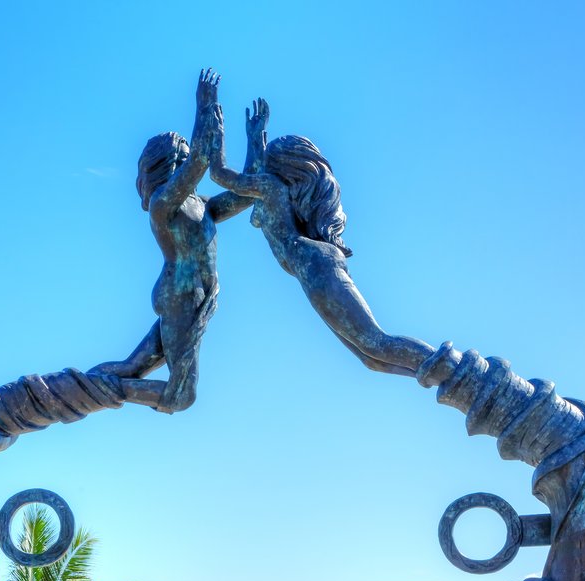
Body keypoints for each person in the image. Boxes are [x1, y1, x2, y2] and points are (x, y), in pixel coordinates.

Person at [207, 95, 432, 379]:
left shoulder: (270, 187)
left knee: (375, 342)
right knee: (370, 358)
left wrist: (214, 130)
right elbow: (255, 171)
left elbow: (220, 174)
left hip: (314, 263)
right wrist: (255, 137)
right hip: (313, 265)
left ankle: (452, 368)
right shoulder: (275, 191)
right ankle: (435, 378)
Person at [91, 69, 257, 415]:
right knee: (182, 395)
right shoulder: (163, 203)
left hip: (191, 299)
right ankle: (97, 390)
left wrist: (256, 141)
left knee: (130, 367)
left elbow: (245, 195)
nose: (185, 165)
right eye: (179, 160)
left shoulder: (203, 206)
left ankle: (83, 386)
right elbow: (200, 160)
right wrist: (204, 106)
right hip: (180, 297)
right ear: (167, 165)